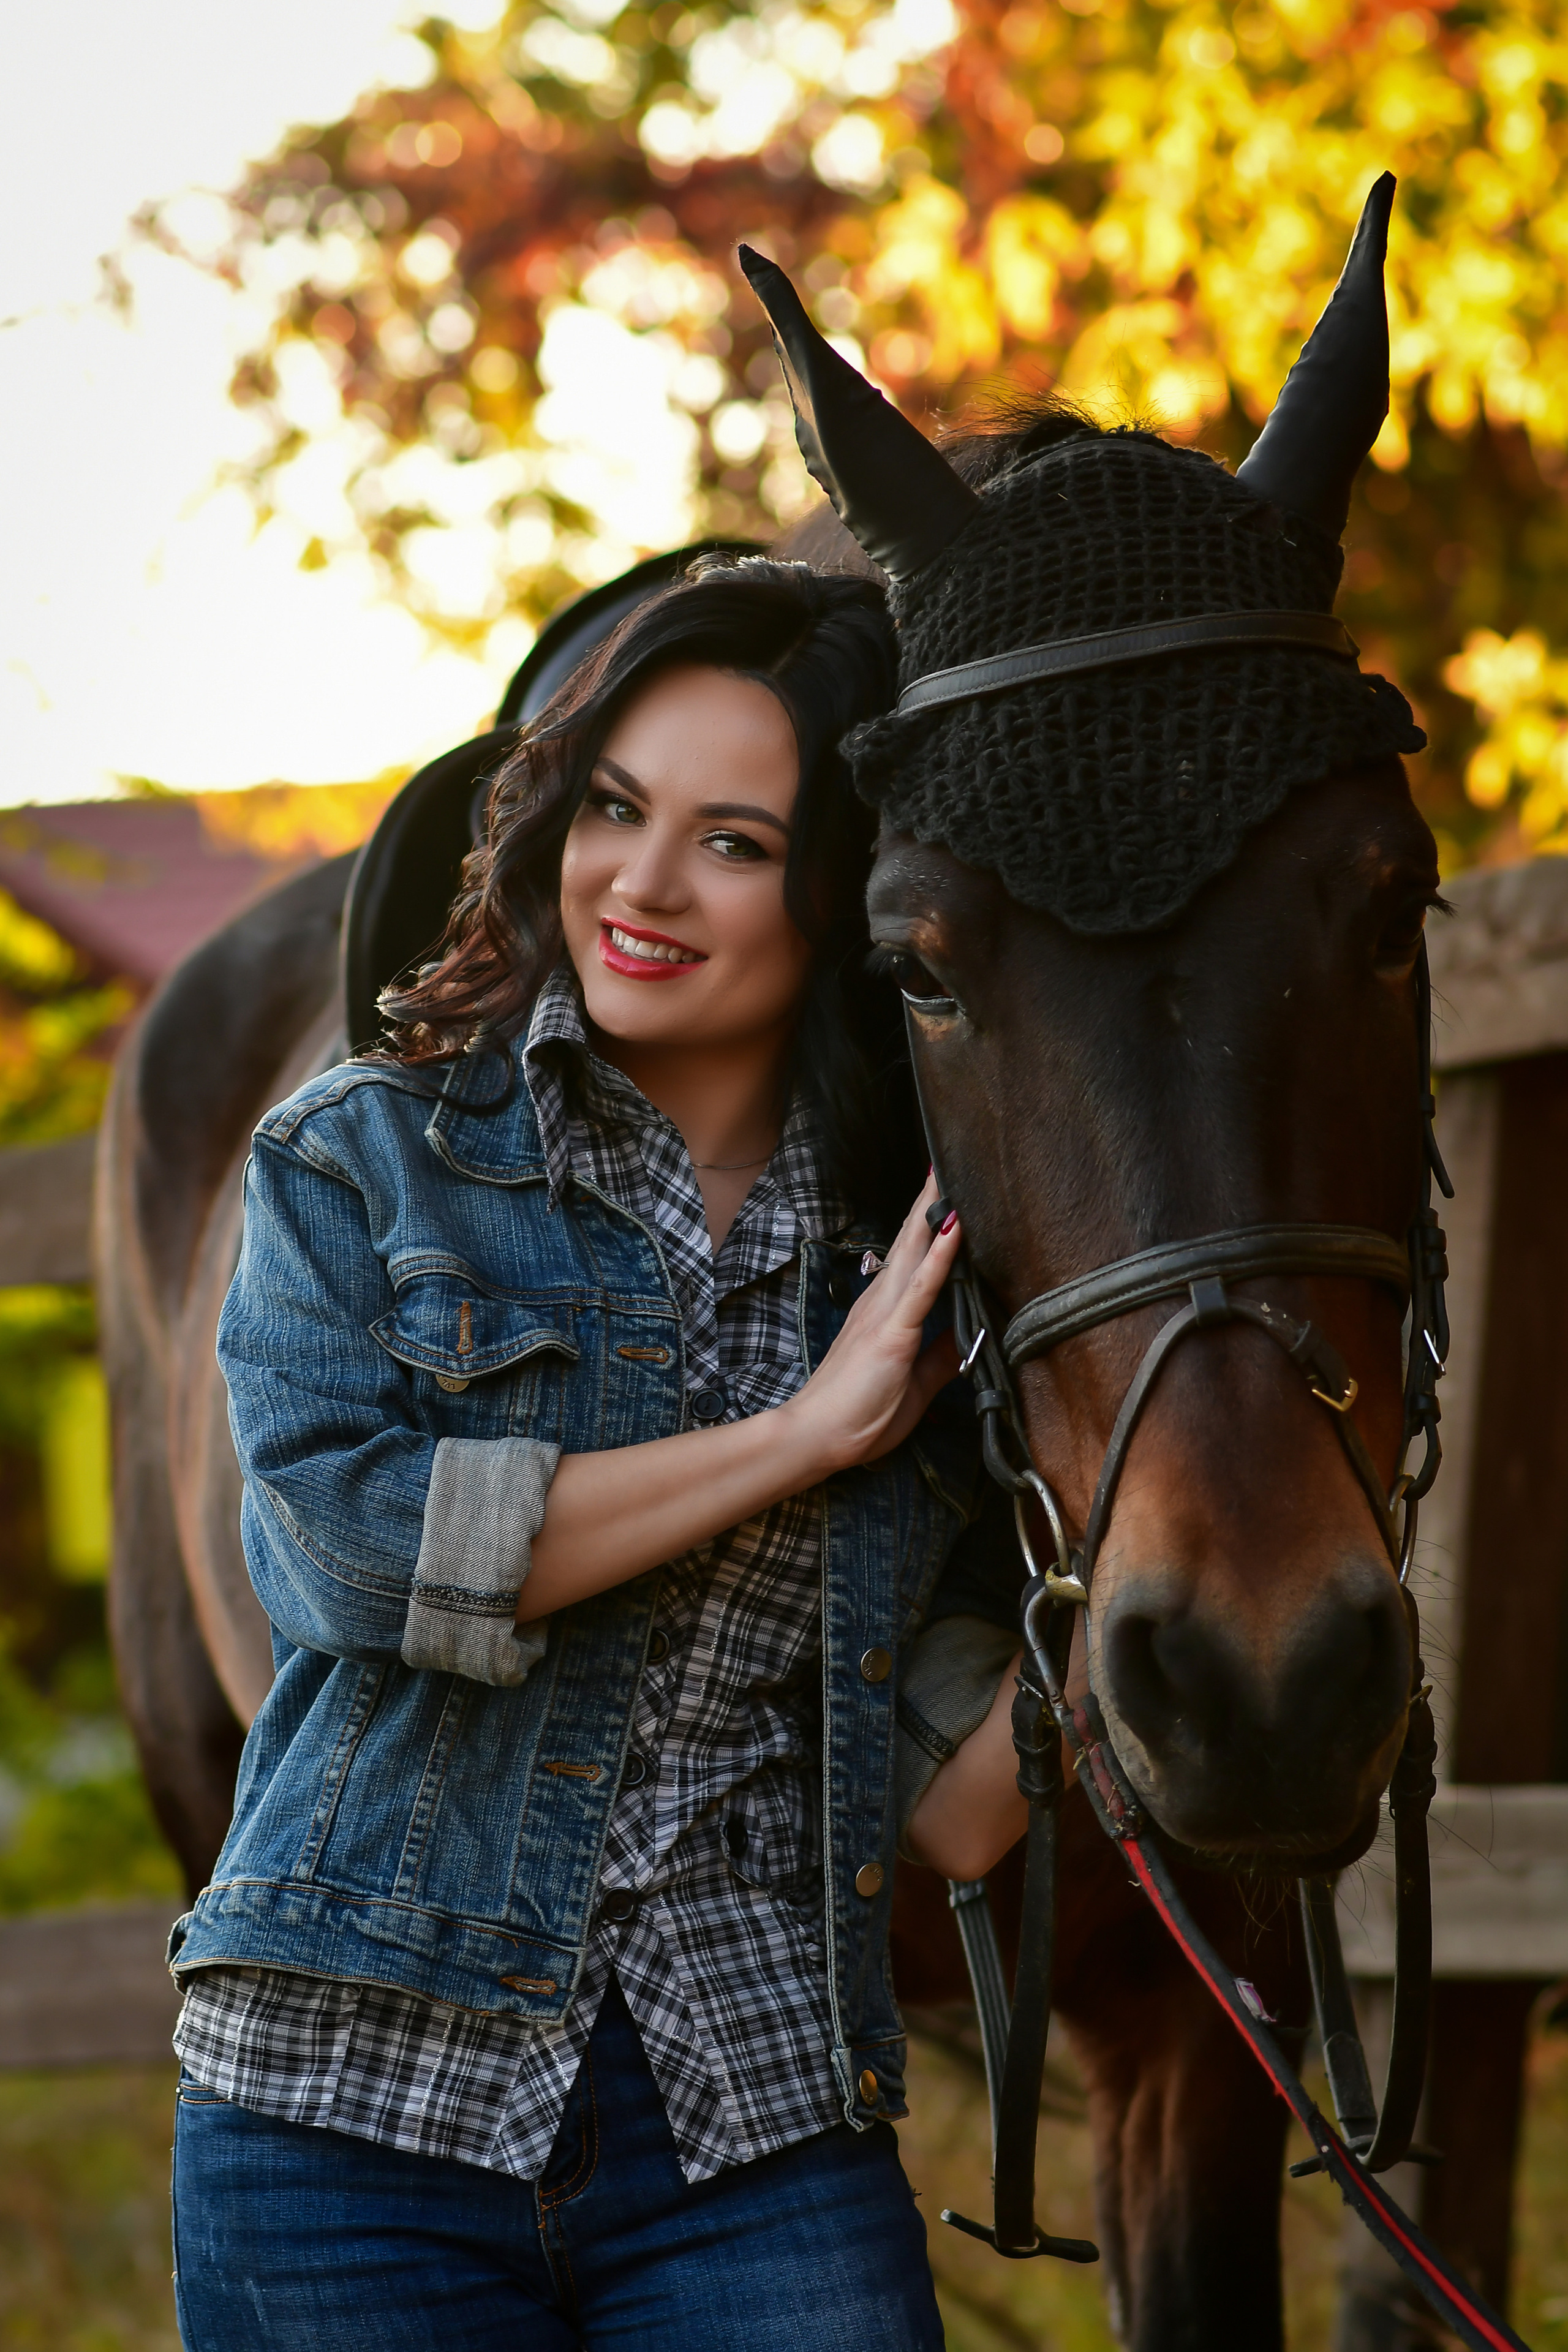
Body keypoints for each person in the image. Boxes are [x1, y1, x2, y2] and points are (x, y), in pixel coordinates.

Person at [167, 553, 1031, 2351]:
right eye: (617, 810)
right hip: (350, 2110)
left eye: (733, 843)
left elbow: (957, 1803)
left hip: (751, 2121)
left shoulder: (909, 1264)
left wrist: (1153, 1536)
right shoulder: (365, 1157)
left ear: (842, 892)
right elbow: (350, 1557)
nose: (641, 884)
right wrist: (800, 1439)